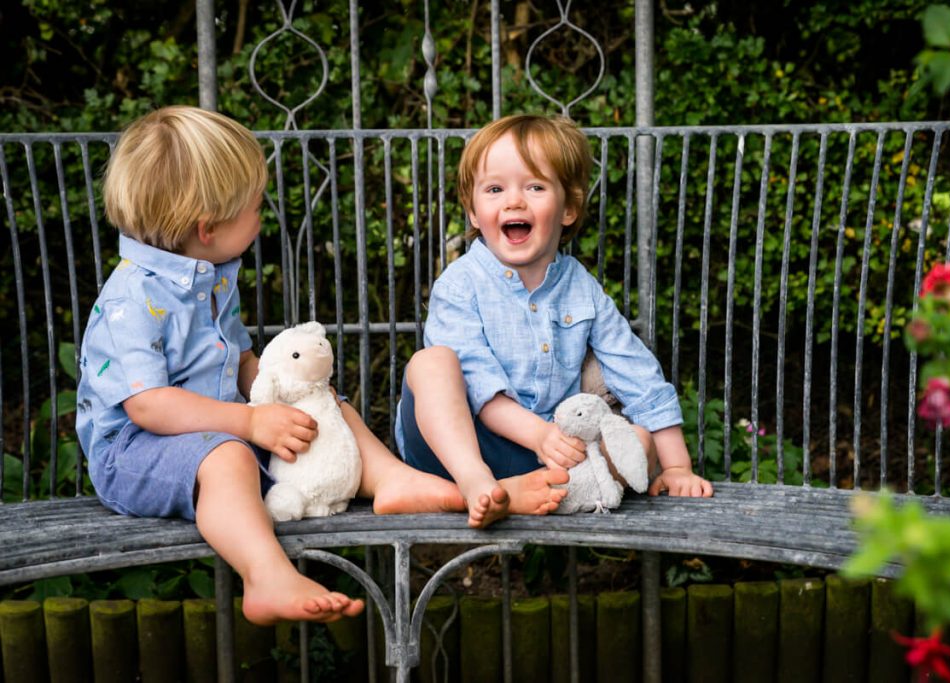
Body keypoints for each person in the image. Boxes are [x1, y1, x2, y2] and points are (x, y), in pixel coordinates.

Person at [76, 106, 465, 626]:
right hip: (132, 453)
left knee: (318, 403)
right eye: (255, 207)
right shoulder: (132, 298)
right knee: (229, 458)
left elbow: (241, 361)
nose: (263, 215)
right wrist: (250, 422)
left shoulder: (210, 277)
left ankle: (389, 478)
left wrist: (280, 394)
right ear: (208, 227)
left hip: (217, 432)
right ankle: (265, 576)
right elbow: (148, 405)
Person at [397, 114, 713, 529]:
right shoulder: (460, 285)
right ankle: (478, 485)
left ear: (568, 209)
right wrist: (538, 437)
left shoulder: (581, 288)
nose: (514, 201)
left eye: (535, 187)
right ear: (473, 212)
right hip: (455, 448)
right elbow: (477, 382)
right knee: (431, 363)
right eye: (495, 189)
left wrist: (676, 466)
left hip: (545, 454)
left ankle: (535, 491)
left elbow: (635, 371)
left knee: (639, 443)